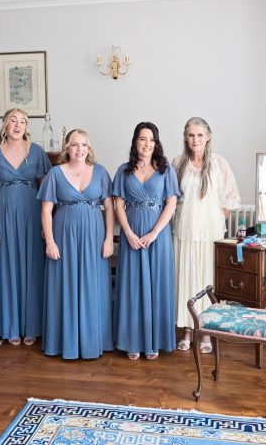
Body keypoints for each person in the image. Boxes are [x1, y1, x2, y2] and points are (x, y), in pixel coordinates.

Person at [37, 129, 115, 359]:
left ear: (89, 148)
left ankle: (93, 342)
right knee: (65, 284)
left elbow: (110, 207)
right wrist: (50, 242)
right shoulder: (55, 173)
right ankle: (65, 342)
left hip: (94, 235)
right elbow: (46, 210)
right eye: (74, 144)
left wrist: (109, 238)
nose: (80, 149)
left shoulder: (101, 172)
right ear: (67, 148)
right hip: (64, 235)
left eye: (84, 145)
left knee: (93, 285)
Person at [0, 109, 51, 346]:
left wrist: (47, 224)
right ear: (5, 125)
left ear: (27, 126)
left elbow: (47, 191)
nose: (18, 125)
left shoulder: (37, 152)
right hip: (3, 215)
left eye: (22, 121)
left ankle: (32, 325)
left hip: (32, 214)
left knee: (33, 266)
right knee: (6, 267)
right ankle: (9, 325)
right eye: (13, 120)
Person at [172, 117, 240, 353]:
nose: (195, 140)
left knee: (206, 282)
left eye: (200, 135)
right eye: (191, 135)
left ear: (208, 137)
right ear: (185, 137)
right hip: (184, 234)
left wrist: (214, 219)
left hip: (210, 235)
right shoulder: (177, 162)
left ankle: (206, 334)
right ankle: (187, 331)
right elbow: (171, 198)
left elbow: (231, 198)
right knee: (186, 281)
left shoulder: (219, 163)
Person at [112, 122, 180, 361]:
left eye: (151, 140)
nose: (147, 144)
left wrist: (154, 233)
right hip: (132, 234)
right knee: (132, 287)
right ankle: (132, 341)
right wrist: (128, 233)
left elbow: (171, 204)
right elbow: (118, 204)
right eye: (142, 139)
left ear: (156, 143)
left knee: (157, 284)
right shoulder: (123, 170)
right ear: (135, 142)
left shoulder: (166, 170)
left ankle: (155, 341)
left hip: (157, 236)